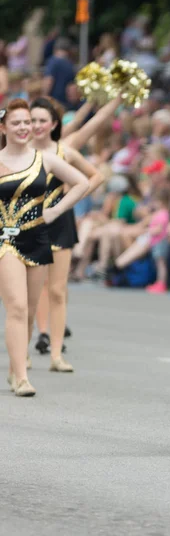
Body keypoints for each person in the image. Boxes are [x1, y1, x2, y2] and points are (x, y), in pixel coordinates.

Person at [0, 98, 88, 397]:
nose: (24, 127)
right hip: (5, 241)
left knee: (29, 312)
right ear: (3, 127)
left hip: (37, 240)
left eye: (27, 122)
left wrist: (55, 211)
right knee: (18, 307)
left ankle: (14, 370)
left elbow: (82, 182)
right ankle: (23, 377)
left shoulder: (44, 159)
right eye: (17, 123)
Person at [30, 97, 104, 371]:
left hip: (58, 221)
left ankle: (56, 355)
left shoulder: (63, 151)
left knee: (58, 289)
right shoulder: (19, 151)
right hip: (28, 224)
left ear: (54, 124)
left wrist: (65, 202)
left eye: (42, 121)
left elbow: (93, 177)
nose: (37, 126)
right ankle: (30, 344)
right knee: (31, 290)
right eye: (33, 120)